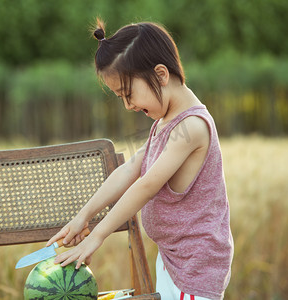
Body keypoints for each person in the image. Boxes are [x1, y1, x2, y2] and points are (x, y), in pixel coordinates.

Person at [47, 19, 234, 300]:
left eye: (128, 93)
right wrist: (83, 216)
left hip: (195, 265)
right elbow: (129, 170)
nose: (127, 105)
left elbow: (147, 185)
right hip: (174, 256)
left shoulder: (191, 127)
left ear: (160, 75)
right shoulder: (165, 121)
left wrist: (98, 235)